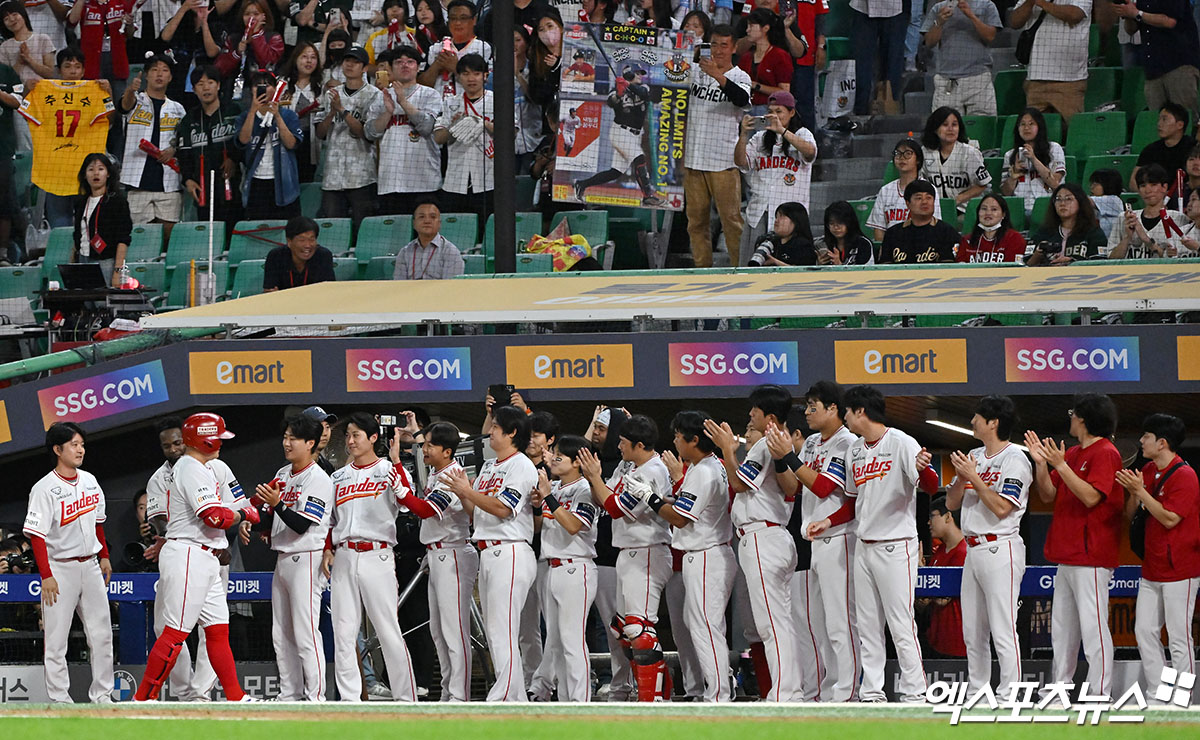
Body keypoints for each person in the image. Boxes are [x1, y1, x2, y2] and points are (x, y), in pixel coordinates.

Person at [809, 385, 939, 703]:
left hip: (896, 545)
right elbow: (853, 501)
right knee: (868, 625)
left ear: (860, 412)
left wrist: (924, 469)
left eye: (848, 412)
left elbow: (931, 486)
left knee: (899, 621)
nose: (846, 418)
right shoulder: (855, 449)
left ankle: (915, 690)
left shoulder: (902, 442)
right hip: (865, 545)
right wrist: (828, 521)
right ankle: (872, 691)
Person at [133, 413, 257, 702]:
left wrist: (255, 505)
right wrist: (242, 514)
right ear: (202, 439)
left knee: (217, 630)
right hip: (189, 554)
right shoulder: (190, 467)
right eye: (217, 437)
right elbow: (213, 516)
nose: (221, 443)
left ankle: (236, 696)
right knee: (175, 633)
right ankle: (142, 699)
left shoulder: (209, 466)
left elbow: (235, 506)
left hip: (207, 556)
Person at [705, 386, 804, 702]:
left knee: (771, 623)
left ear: (770, 417)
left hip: (764, 537)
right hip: (768, 537)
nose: (749, 417)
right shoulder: (773, 445)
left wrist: (727, 450)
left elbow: (738, 483)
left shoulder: (765, 443)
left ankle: (786, 692)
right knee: (777, 622)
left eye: (754, 413)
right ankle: (790, 689)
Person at [1024, 394, 1123, 700]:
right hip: (1066, 555)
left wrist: (1060, 465)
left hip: (1091, 555)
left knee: (1093, 628)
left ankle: (1099, 693)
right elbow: (1049, 493)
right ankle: (1059, 689)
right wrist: (1042, 464)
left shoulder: (1106, 452)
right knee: (1062, 629)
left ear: (1084, 418)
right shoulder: (1076, 452)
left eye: (1073, 413)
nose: (1070, 417)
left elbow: (1093, 497)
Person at [766, 380, 860, 701]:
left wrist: (790, 457)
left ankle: (850, 692)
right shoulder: (813, 443)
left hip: (840, 539)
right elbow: (793, 487)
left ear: (833, 408)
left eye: (813, 406)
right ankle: (831, 689)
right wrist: (782, 458)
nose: (807, 412)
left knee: (841, 623)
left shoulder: (846, 443)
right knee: (821, 626)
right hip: (816, 541)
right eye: (806, 406)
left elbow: (822, 487)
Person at [637, 410, 736, 702]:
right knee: (704, 626)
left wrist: (651, 498)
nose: (676, 441)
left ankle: (718, 695)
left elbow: (681, 519)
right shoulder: (707, 465)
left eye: (680, 437)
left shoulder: (704, 470)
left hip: (707, 555)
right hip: (708, 554)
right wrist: (666, 499)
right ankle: (717, 691)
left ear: (694, 440)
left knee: (707, 628)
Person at [318, 412, 418, 702]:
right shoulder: (338, 476)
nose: (350, 440)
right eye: (348, 435)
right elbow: (330, 519)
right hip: (345, 556)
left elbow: (407, 502)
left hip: (378, 554)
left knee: (387, 628)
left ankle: (406, 697)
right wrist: (327, 547)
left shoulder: (388, 469)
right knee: (344, 629)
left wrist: (398, 461)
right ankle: (350, 699)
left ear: (373, 438)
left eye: (356, 435)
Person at [442, 405, 539, 702]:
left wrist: (467, 491)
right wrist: (463, 492)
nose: (491, 431)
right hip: (489, 550)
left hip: (510, 550)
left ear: (512, 432)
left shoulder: (521, 464)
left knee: (502, 629)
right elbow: (477, 514)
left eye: (496, 427)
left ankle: (503, 697)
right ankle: (516, 697)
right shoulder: (489, 466)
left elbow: (502, 508)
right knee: (496, 630)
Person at [578, 415, 673, 702]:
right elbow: (602, 499)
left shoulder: (652, 470)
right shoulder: (628, 465)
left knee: (639, 627)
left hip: (648, 551)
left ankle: (653, 699)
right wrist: (593, 480)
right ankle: (653, 690)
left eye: (623, 442)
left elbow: (618, 508)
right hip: (627, 552)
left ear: (639, 445)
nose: (618, 446)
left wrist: (595, 478)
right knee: (624, 629)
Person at [945, 396, 1031, 698]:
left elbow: (1001, 508)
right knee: (973, 631)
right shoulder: (974, 455)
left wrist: (974, 477)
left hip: (1001, 546)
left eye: (978, 416)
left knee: (1003, 628)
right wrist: (961, 478)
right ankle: (978, 693)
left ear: (993, 423)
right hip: (973, 548)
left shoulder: (1015, 459)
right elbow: (951, 503)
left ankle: (1010, 694)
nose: (972, 421)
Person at [23, 422, 114, 704]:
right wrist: (46, 575)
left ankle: (102, 695)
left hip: (90, 566)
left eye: (82, 444)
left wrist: (105, 556)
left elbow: (98, 522)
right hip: (59, 567)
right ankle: (60, 699)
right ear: (57, 449)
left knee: (102, 635)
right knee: (56, 638)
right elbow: (37, 536)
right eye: (74, 444)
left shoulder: (90, 480)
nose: (80, 449)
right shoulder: (44, 488)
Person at [392, 421, 477, 702]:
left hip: (454, 552)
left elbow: (427, 510)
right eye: (424, 443)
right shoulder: (435, 472)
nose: (424, 449)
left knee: (454, 629)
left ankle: (460, 695)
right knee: (438, 630)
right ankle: (449, 691)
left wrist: (402, 491)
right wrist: (397, 468)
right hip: (437, 553)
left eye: (430, 445)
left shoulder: (453, 474)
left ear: (448, 450)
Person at [1117, 414, 1200, 702]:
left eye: (1146, 436)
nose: (1141, 441)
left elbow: (1169, 519)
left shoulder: (1186, 476)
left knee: (1179, 638)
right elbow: (1132, 516)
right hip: (1151, 568)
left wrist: (1141, 492)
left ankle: (1182, 697)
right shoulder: (1149, 470)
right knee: (1144, 630)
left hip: (1181, 570)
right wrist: (1133, 494)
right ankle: (1158, 693)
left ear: (1162, 442)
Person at [252, 414, 332, 702]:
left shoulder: (318, 478)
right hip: (283, 557)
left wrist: (277, 504)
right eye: (285, 437)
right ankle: (290, 694)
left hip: (307, 556)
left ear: (310, 443)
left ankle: (316, 697)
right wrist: (256, 522)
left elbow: (301, 523)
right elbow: (271, 513)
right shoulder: (283, 473)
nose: (286, 443)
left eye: (293, 438)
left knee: (306, 631)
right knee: (281, 632)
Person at [529, 436, 600, 702]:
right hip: (552, 567)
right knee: (556, 642)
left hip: (576, 567)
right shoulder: (556, 487)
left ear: (577, 463)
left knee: (572, 640)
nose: (553, 459)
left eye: (559, 456)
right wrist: (539, 505)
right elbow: (539, 527)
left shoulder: (585, 488)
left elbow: (573, 526)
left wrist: (548, 497)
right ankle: (566, 701)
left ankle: (581, 702)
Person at [16, 48, 112, 229]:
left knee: (89, 227)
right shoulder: (43, 91)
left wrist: (109, 93)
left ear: (84, 71)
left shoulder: (95, 90)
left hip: (86, 171)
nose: (73, 71)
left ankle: (81, 258)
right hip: (55, 170)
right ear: (58, 70)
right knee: (60, 228)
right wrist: (27, 93)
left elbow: (110, 120)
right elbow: (26, 115)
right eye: (68, 66)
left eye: (77, 67)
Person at [142, 416, 202, 699]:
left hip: (207, 553)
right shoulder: (158, 478)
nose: (174, 449)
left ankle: (203, 691)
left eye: (178, 442)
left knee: (212, 627)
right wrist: (168, 537)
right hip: (178, 554)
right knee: (165, 626)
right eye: (168, 446)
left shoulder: (209, 466)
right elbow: (157, 519)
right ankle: (185, 691)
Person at [684, 24, 750, 268]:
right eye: (714, 44)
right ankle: (703, 270)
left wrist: (717, 75)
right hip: (693, 159)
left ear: (734, 47)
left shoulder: (740, 76)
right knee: (695, 222)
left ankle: (739, 268)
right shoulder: (694, 72)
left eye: (724, 45)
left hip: (723, 161)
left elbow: (742, 99)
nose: (719, 50)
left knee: (731, 220)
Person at [735, 90, 817, 264]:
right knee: (750, 265)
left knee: (789, 265)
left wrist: (782, 131)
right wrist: (742, 134)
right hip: (759, 212)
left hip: (790, 219)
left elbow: (810, 153)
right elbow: (741, 163)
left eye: (779, 111)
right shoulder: (760, 138)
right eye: (771, 111)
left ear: (792, 112)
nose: (774, 115)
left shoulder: (802, 134)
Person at [573, 63, 666, 208]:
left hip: (635, 136)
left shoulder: (643, 88)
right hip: (620, 132)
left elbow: (645, 94)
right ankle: (648, 196)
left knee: (615, 172)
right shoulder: (616, 89)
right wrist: (619, 93)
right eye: (637, 73)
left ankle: (582, 184)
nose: (640, 76)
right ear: (629, 74)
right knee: (639, 158)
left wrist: (628, 85)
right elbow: (611, 102)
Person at [369, 46, 443, 216]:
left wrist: (402, 101)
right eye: (399, 62)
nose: (405, 65)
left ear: (418, 67)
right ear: (392, 68)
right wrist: (388, 113)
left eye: (410, 62)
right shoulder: (381, 97)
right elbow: (370, 133)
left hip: (424, 180)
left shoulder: (430, 94)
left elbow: (426, 127)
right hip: (391, 179)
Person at [315, 45, 383, 229]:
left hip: (362, 174)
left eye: (356, 62)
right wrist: (331, 113)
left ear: (365, 68)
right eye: (347, 61)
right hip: (333, 174)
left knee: (364, 228)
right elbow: (320, 133)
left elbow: (367, 134)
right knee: (333, 228)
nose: (350, 65)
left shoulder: (374, 95)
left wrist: (342, 111)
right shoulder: (330, 94)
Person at [118, 54, 186, 239]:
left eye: (164, 70)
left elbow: (184, 140)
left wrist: (173, 150)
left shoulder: (178, 109)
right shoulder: (136, 100)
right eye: (155, 70)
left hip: (170, 183)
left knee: (169, 238)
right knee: (139, 239)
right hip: (137, 183)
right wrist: (130, 91)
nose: (159, 74)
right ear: (146, 75)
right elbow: (125, 106)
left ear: (170, 77)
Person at [176, 66, 244, 230]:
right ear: (193, 89)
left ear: (218, 85)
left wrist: (234, 159)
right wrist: (188, 179)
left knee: (233, 232)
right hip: (203, 191)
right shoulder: (188, 119)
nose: (206, 87)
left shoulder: (233, 111)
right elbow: (183, 154)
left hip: (232, 188)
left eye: (210, 82)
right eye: (200, 84)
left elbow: (243, 142)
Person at [235, 70, 304, 221]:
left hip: (283, 182)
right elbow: (243, 141)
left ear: (275, 89)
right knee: (258, 230)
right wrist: (253, 111)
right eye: (257, 85)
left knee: (287, 229)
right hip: (256, 183)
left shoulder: (289, 116)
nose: (262, 88)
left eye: (266, 85)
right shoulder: (244, 117)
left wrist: (277, 115)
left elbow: (292, 144)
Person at [433, 53, 495, 221]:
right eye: (466, 74)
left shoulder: (497, 101)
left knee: (487, 231)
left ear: (485, 76)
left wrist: (482, 123)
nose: (471, 78)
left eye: (476, 73)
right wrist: (455, 127)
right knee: (455, 231)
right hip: (455, 180)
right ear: (459, 77)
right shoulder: (450, 103)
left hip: (488, 180)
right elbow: (438, 138)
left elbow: (510, 133)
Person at [1112, 0, 1200, 117]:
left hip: (1178, 64)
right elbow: (1131, 30)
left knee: (1185, 119)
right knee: (1157, 122)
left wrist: (1137, 14)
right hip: (1153, 69)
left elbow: (1169, 21)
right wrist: (1128, 15)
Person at [1008, 0, 1090, 122]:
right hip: (1035, 78)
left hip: (1069, 79)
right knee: (1035, 133)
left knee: (1070, 131)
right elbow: (1014, 21)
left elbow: (1075, 14)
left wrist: (1041, 3)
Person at [920, 0, 1001, 115]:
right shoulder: (939, 8)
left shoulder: (987, 5)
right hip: (946, 80)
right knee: (944, 127)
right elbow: (929, 42)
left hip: (978, 80)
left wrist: (971, 16)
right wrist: (939, 22)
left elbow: (990, 36)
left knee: (981, 128)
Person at [71, 153, 131, 287]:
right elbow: (78, 233)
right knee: (85, 304)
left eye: (100, 169)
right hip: (82, 260)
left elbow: (123, 239)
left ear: (108, 174)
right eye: (91, 169)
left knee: (103, 304)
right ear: (85, 174)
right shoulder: (80, 202)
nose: (95, 173)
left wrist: (118, 271)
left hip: (105, 262)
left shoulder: (117, 202)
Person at [867, 138, 944, 240]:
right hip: (892, 249)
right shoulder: (886, 191)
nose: (902, 158)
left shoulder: (928, 189)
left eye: (908, 154)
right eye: (897, 154)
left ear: (918, 160)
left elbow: (934, 225)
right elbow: (879, 229)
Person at [1107, 164, 1188, 259]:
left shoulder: (1178, 218)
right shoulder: (1125, 218)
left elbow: (1180, 259)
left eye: (1153, 185)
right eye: (1143, 186)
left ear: (1164, 187)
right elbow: (1112, 259)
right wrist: (1127, 237)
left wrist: (1147, 240)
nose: (1148, 190)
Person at [208, 0, 284, 99]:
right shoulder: (234, 39)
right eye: (247, 14)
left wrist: (256, 35)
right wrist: (237, 53)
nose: (251, 18)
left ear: (264, 16)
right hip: (238, 91)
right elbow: (220, 69)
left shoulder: (274, 37)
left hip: (266, 90)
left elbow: (267, 62)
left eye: (256, 14)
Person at [1000, 108, 1066, 218]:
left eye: (1031, 124)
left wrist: (1034, 159)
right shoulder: (1010, 155)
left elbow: (1055, 184)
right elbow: (1006, 193)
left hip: (1047, 207)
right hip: (1019, 210)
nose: (1026, 128)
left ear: (1039, 127)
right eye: (1022, 124)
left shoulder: (1054, 149)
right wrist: (1013, 176)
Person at [921, 106, 990, 212]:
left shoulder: (969, 152)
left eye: (954, 125)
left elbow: (982, 184)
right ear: (935, 129)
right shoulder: (925, 152)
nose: (950, 129)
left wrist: (958, 200)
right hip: (934, 210)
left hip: (965, 210)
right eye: (945, 125)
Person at [418, 0, 493, 97]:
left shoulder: (485, 48)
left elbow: (488, 84)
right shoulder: (435, 48)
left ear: (474, 20)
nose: (458, 23)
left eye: (463, 18)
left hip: (472, 107)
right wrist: (436, 65)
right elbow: (420, 86)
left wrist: (456, 68)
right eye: (453, 18)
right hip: (438, 107)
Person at [922, 496, 966, 660]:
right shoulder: (939, 553)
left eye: (932, 516)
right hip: (936, 642)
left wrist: (924, 582)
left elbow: (942, 598)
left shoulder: (965, 552)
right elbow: (925, 602)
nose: (929, 522)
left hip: (958, 646)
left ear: (948, 517)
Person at [1026, 182, 1108, 265]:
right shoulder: (1044, 232)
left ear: (1080, 202)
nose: (1062, 203)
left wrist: (1072, 263)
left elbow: (1100, 263)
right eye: (1058, 199)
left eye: (1068, 199)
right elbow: (1024, 266)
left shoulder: (1093, 233)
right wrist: (1037, 255)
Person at [879, 179, 959, 263]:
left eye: (928, 198)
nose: (924, 202)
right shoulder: (893, 233)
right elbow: (885, 269)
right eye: (919, 198)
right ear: (907, 203)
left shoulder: (947, 232)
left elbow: (949, 269)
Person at [849, 0, 906, 116]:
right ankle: (860, 113)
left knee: (892, 64)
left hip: (896, 9)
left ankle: (890, 110)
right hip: (862, 8)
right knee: (861, 67)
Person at [1131, 103, 1197, 197]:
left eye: (1164, 119)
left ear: (1180, 125)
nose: (1159, 124)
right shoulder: (1150, 150)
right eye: (1159, 119)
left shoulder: (1193, 147)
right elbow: (1134, 181)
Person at [392, 197, 464, 280]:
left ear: (439, 223)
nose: (427, 221)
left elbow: (451, 287)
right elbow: (399, 285)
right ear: (414, 223)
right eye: (422, 217)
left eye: (432, 217)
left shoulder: (451, 252)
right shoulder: (405, 252)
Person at [738, 9, 792, 111]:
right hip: (745, 108)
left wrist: (757, 86)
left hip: (769, 108)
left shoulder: (779, 56)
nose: (747, 30)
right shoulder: (746, 57)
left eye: (751, 26)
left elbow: (784, 91)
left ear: (765, 28)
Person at [264, 216, 335, 291]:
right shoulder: (276, 256)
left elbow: (329, 289)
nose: (307, 245)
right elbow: (269, 291)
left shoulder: (323, 256)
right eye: (302, 240)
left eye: (312, 239)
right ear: (289, 241)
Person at [957, 193, 1027, 263]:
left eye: (994, 209)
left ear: (1003, 214)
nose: (988, 213)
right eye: (984, 209)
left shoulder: (1014, 239)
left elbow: (1013, 269)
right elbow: (959, 268)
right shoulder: (967, 240)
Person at [0, 2, 55, 87]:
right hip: (17, 95)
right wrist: (19, 61)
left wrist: (29, 59)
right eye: (6, 19)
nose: (11, 19)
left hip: (43, 91)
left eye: (14, 14)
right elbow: (6, 79)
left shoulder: (43, 39)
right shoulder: (4, 47)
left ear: (23, 14)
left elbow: (50, 74)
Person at [747, 201, 818, 266]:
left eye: (782, 216)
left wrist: (775, 262)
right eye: (776, 217)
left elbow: (804, 273)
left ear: (796, 220)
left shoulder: (803, 246)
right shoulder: (768, 242)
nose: (776, 221)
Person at [820, 201, 876, 265]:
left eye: (840, 222)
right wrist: (819, 266)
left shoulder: (863, 244)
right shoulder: (823, 245)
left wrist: (839, 266)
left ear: (850, 222)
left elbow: (865, 273)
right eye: (832, 223)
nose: (836, 227)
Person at [1088, 168, 1126, 240]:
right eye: (1092, 183)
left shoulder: (1113, 200)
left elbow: (1082, 200)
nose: (1092, 187)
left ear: (1108, 185)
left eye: (1096, 184)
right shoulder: (1096, 202)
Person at [300, 405, 338, 475]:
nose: (325, 433)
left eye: (327, 427)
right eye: (319, 428)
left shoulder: (327, 466)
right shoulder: (293, 466)